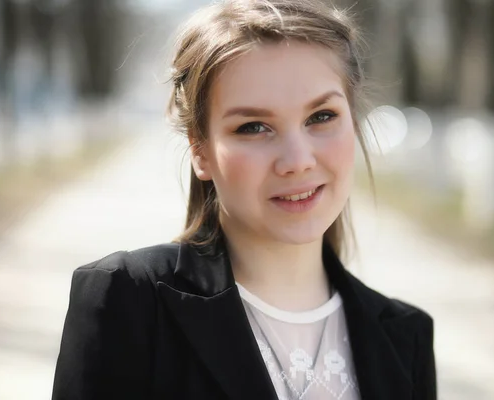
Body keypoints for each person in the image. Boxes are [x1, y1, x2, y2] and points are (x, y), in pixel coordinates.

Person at [51, 1, 437, 399]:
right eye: (254, 127)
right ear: (200, 151)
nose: (297, 161)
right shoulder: (129, 301)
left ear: (353, 123)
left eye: (321, 116)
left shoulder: (405, 337)